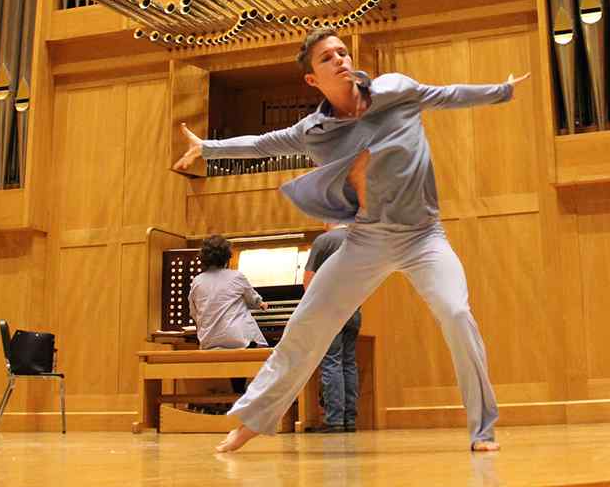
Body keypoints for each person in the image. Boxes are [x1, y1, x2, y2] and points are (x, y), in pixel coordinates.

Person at [174, 28, 530, 452]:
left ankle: (482, 430)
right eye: (327, 58)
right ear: (312, 80)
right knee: (307, 323)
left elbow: (446, 94)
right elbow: (262, 144)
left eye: (342, 52)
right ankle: (251, 422)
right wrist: (208, 148)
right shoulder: (314, 131)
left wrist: (502, 91)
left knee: (456, 313)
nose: (340, 59)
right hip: (367, 240)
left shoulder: (395, 90)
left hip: (423, 236)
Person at [188, 235, 269, 393]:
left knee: (236, 349)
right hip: (237, 340)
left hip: (209, 342)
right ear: (227, 257)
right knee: (263, 349)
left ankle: (238, 395)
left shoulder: (197, 281)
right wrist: (262, 304)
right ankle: (253, 399)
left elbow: (193, 312)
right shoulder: (236, 276)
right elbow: (253, 300)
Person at [303, 223, 361, 433]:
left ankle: (334, 420)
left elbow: (308, 284)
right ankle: (349, 419)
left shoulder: (323, 241)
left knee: (331, 361)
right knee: (348, 362)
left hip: (329, 309)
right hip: (353, 308)